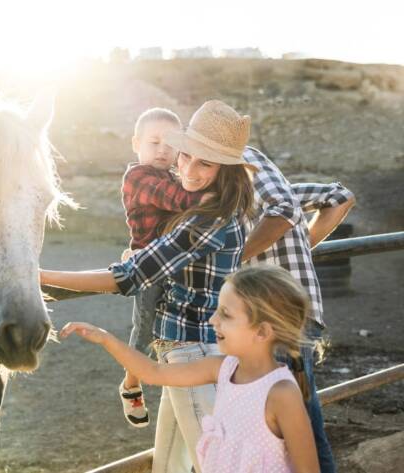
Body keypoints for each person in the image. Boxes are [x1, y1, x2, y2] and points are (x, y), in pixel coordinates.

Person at [41, 99, 256, 473]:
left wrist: (41, 276)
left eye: (204, 162)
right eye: (186, 155)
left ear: (226, 169)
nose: (187, 167)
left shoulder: (211, 219)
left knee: (218, 465)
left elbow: (128, 277)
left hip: (191, 350)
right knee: (170, 464)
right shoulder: (222, 205)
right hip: (184, 349)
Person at [60, 265, 321, 473]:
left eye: (225, 315)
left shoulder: (281, 393)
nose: (212, 320)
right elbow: (155, 372)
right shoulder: (223, 369)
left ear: (262, 331)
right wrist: (106, 338)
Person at [242, 146, 356, 473]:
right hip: (284, 314)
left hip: (281, 315)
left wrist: (240, 256)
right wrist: (304, 241)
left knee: (295, 426)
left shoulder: (250, 182)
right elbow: (341, 196)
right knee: (298, 417)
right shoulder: (284, 195)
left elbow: (336, 197)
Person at [117, 108, 210, 428]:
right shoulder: (139, 177)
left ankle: (183, 384)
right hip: (149, 268)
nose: (162, 150)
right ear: (136, 144)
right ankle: (130, 384)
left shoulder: (174, 174)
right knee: (144, 328)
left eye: (171, 144)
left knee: (177, 332)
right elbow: (181, 200)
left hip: (178, 266)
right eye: (154, 142)